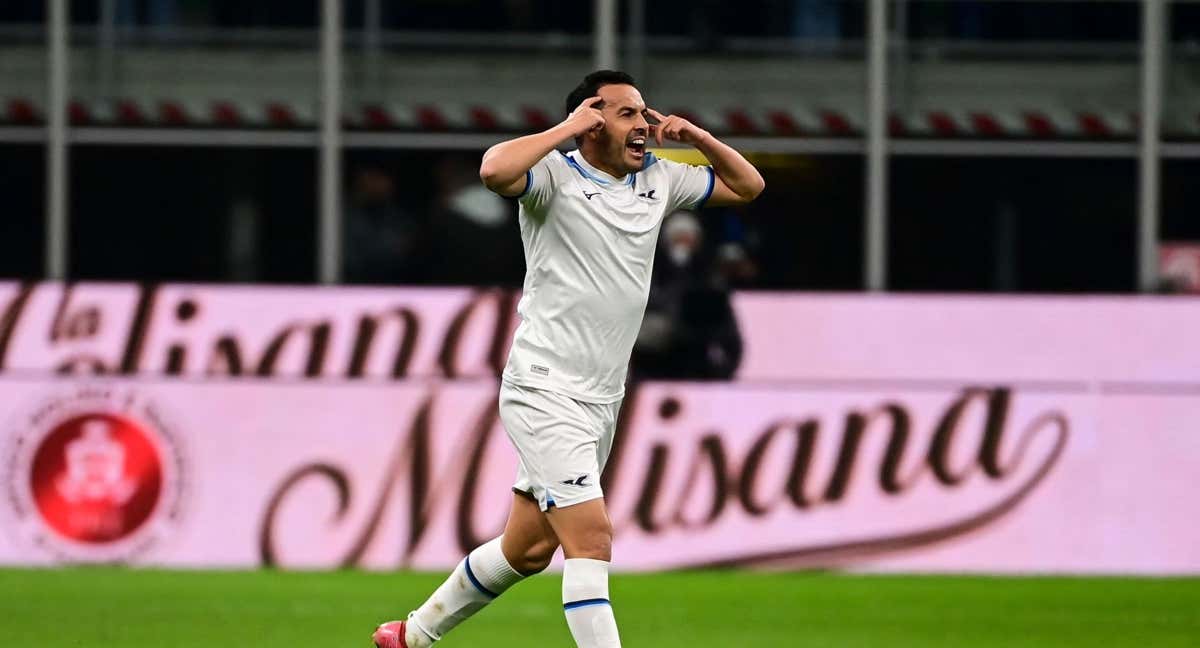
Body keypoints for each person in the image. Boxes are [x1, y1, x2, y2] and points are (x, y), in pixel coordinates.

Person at [370, 69, 764, 648]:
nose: (645, 124)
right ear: (593, 121)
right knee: (592, 540)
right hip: (544, 387)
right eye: (628, 113)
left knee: (526, 550)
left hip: (602, 395)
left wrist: (701, 139)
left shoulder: (658, 179)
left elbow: (748, 186)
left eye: (645, 111)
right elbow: (493, 170)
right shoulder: (554, 176)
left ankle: (413, 635)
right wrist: (567, 127)